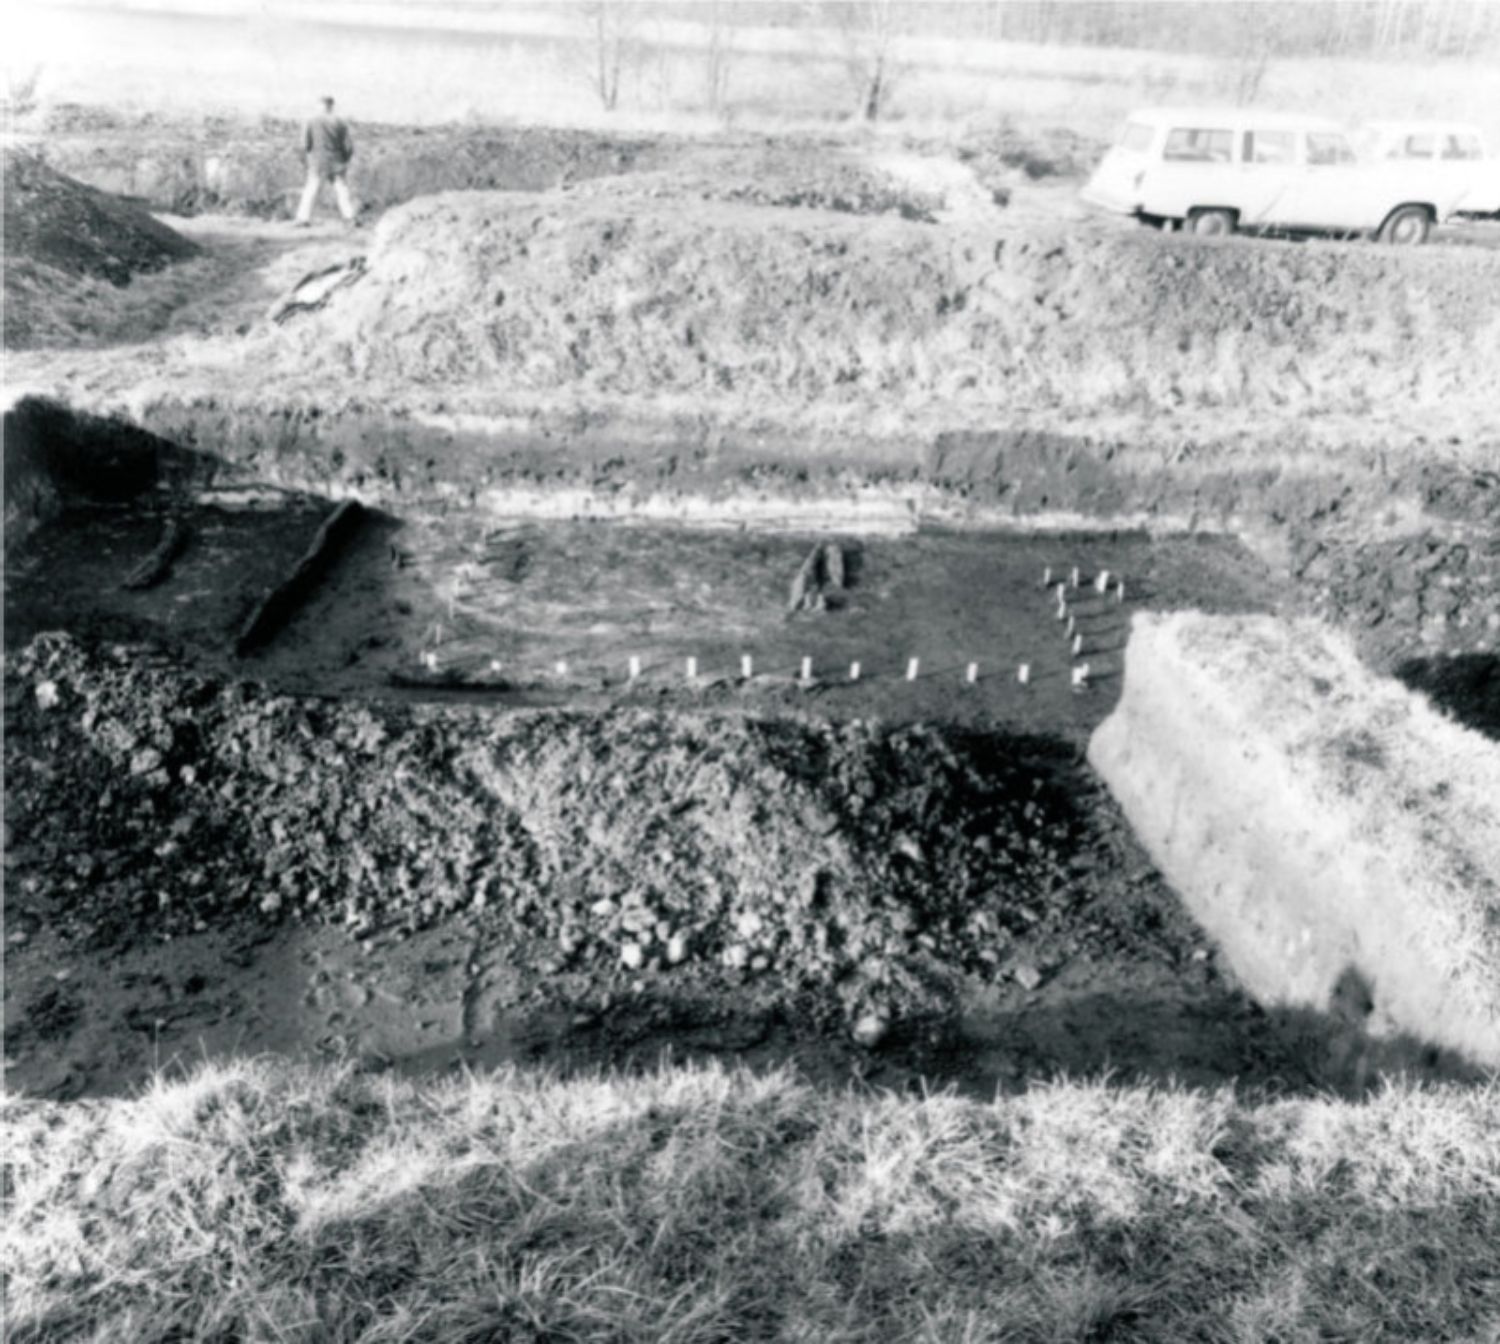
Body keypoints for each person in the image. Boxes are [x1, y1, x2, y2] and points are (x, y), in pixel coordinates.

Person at [294, 95, 358, 227]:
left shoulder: (310, 121)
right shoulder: (340, 122)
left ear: (319, 105)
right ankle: (350, 218)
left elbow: (304, 145)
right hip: (337, 161)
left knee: (311, 189)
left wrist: (305, 161)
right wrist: (344, 159)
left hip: (317, 161)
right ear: (331, 106)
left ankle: (303, 219)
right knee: (342, 190)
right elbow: (349, 147)